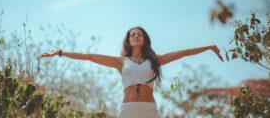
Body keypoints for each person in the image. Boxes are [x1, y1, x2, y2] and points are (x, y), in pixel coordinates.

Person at [40, 26, 224, 118]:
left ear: (145, 39)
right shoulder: (120, 62)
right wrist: (61, 53)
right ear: (128, 41)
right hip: (127, 110)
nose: (136, 36)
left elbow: (183, 53)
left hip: (149, 110)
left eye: (139, 34)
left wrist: (208, 47)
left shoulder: (155, 59)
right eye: (132, 34)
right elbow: (88, 56)